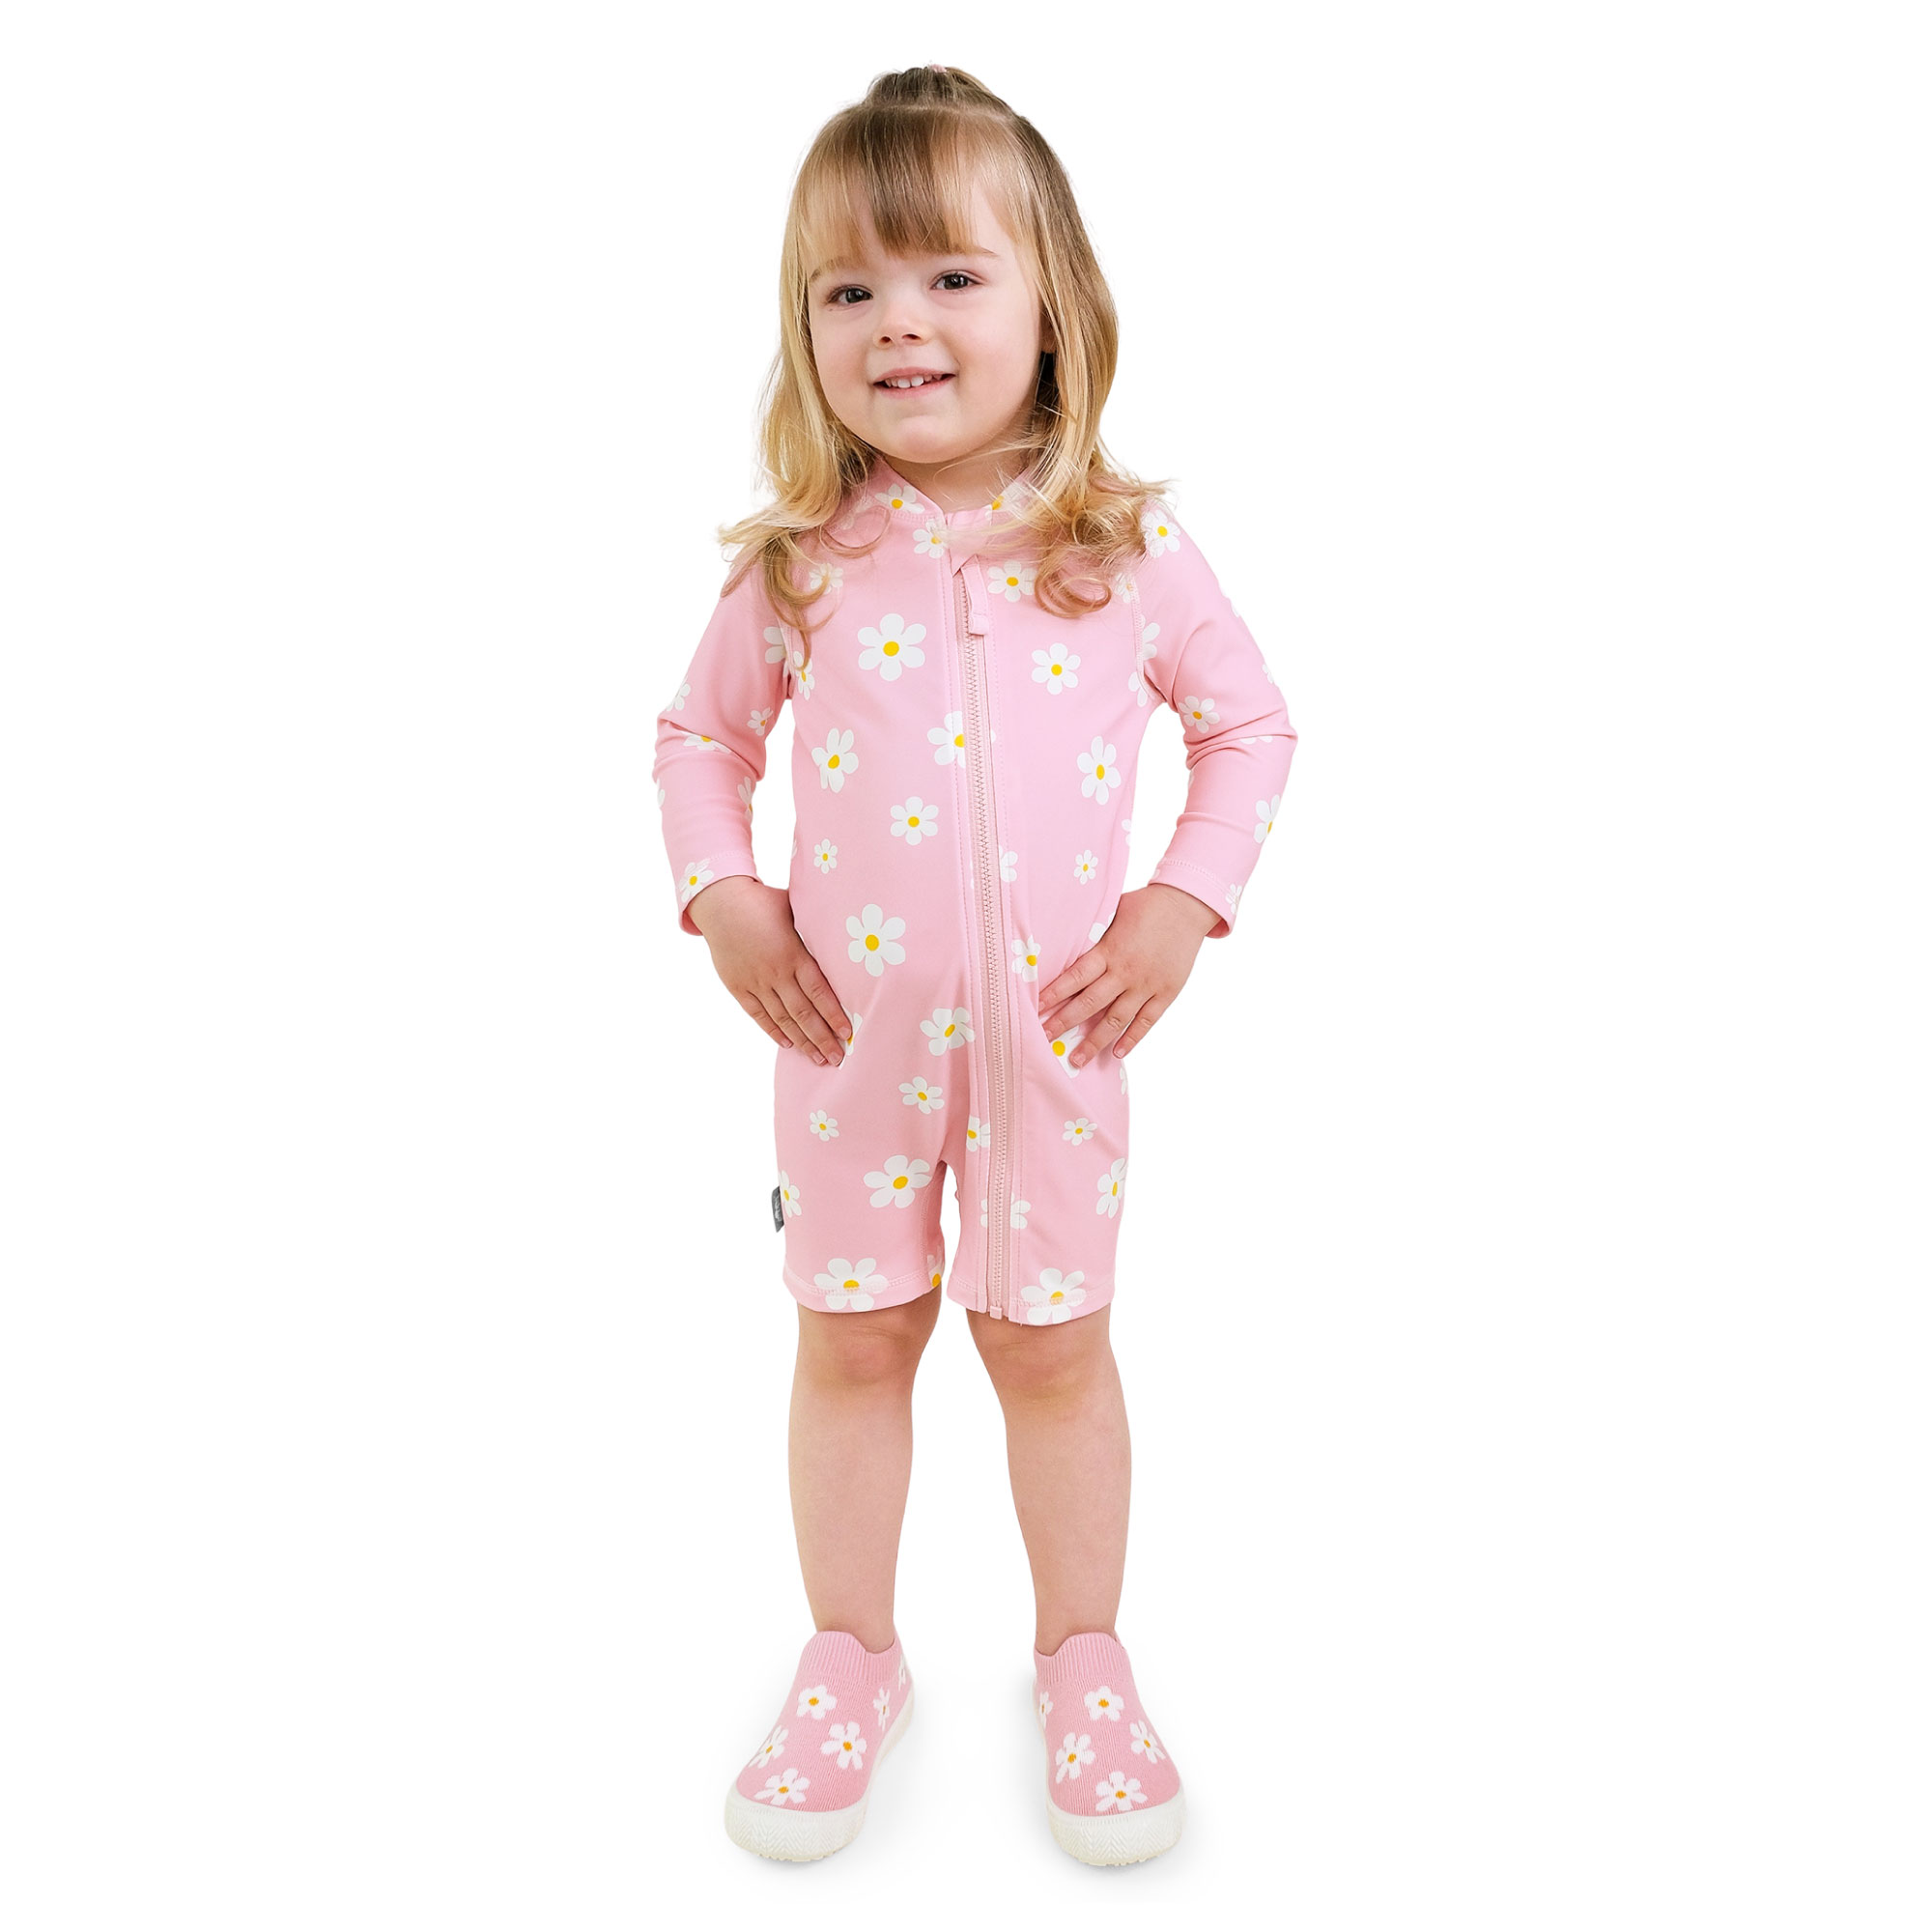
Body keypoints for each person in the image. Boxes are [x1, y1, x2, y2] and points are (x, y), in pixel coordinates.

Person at [653, 64, 1297, 1867]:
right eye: (847, 289)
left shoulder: (1125, 551)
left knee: (1054, 1349)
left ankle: (1083, 1660)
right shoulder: (800, 563)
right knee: (854, 1339)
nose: (898, 323)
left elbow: (1251, 727)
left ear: (1051, 305)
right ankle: (851, 1658)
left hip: (1057, 1056)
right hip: (845, 1050)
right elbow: (697, 741)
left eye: (949, 275)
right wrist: (724, 895)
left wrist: (1182, 903)